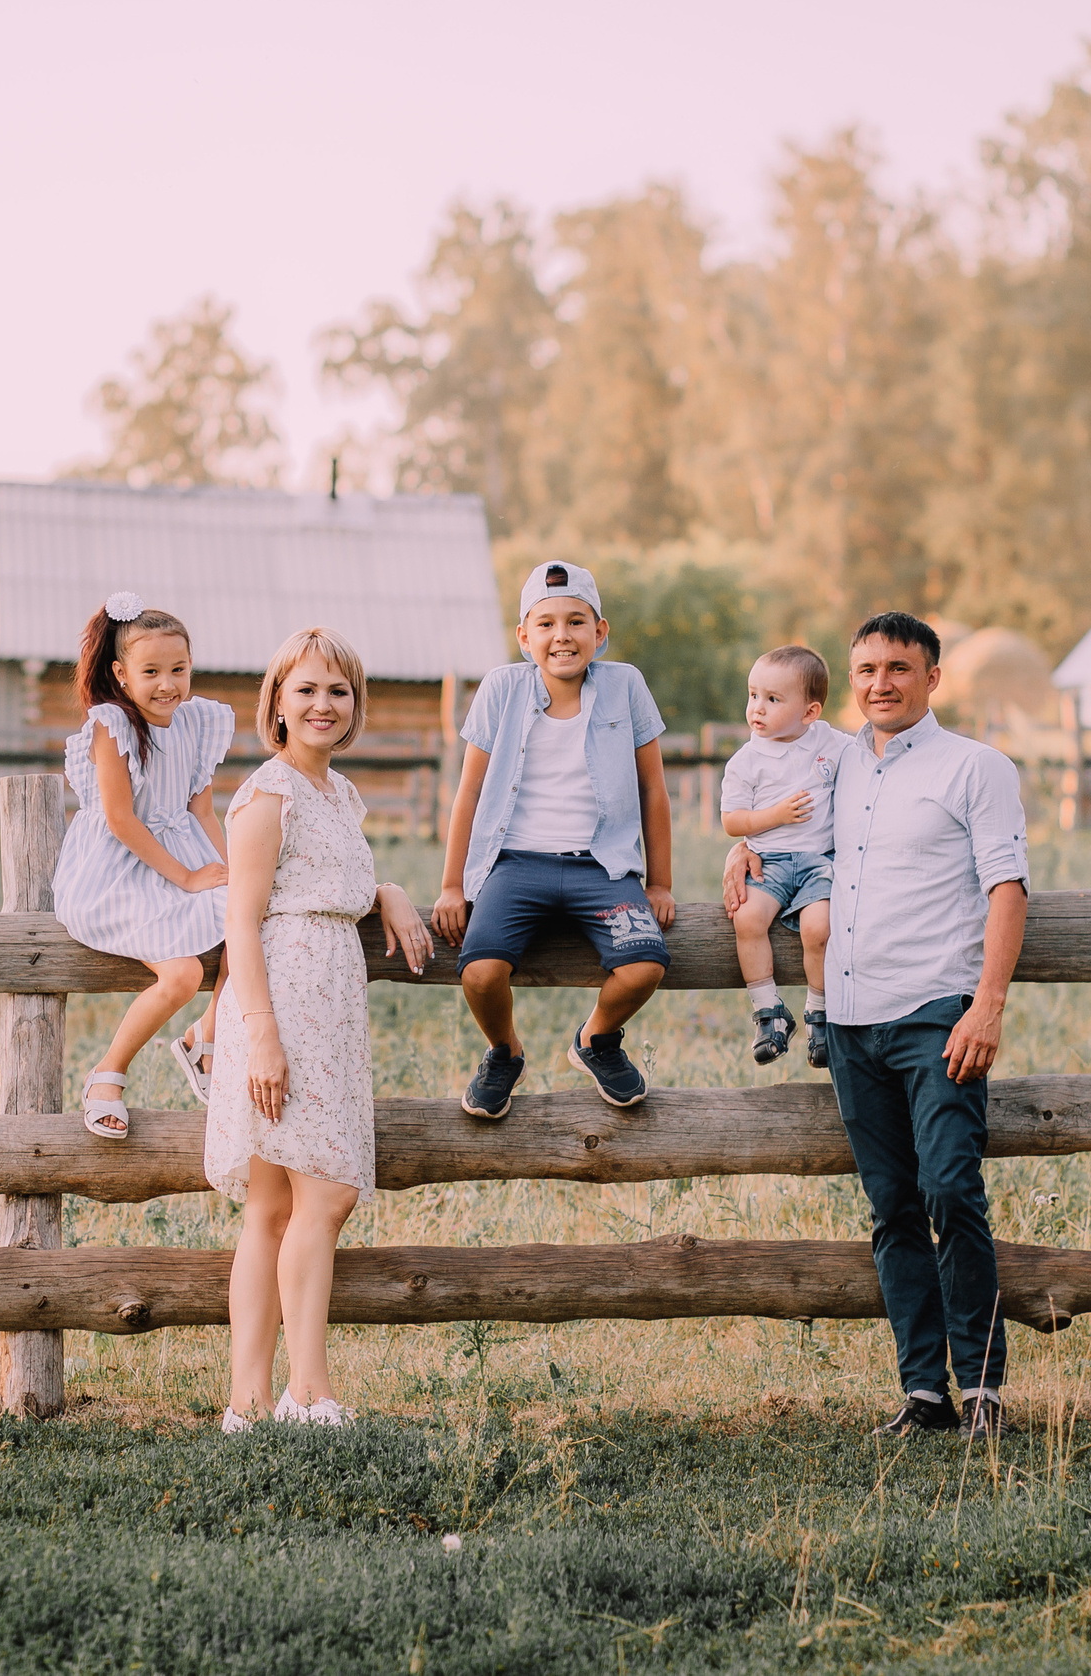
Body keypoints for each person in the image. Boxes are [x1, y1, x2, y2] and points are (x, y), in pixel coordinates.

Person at [727, 611, 1027, 1439]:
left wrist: (987, 1005)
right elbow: (775, 820)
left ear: (933, 677)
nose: (880, 683)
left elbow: (1008, 888)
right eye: (865, 670)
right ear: (848, 682)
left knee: (950, 1190)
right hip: (851, 1020)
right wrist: (740, 850)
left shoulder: (977, 767)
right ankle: (923, 1393)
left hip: (937, 1011)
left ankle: (983, 1389)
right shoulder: (833, 764)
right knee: (892, 1206)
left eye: (898, 668)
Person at [206, 627, 433, 1429]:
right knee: (327, 1193)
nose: (322, 704)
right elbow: (242, 918)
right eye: (305, 689)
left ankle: (246, 1402)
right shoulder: (267, 794)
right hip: (284, 1006)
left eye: (337, 691)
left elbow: (333, 880)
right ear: (276, 701)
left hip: (330, 1002)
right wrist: (262, 1033)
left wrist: (391, 890)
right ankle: (310, 1389)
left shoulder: (339, 794)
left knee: (272, 1206)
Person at [432, 560, 676, 1119]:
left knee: (646, 963)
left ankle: (595, 1040)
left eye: (576, 622)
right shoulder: (501, 689)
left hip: (603, 868)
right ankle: (504, 1051)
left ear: (600, 631)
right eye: (545, 625)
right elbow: (468, 793)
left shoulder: (626, 686)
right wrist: (451, 886)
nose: (561, 636)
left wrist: (660, 882)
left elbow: (653, 789)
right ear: (524, 636)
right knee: (480, 971)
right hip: (516, 865)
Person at [50, 592, 232, 1140]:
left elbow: (200, 808)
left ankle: (208, 1037)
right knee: (183, 972)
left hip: (182, 851)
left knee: (256, 918)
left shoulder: (197, 721)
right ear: (121, 674)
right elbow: (122, 820)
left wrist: (228, 871)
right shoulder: (113, 725)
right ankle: (107, 1076)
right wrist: (188, 877)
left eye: (179, 669)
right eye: (151, 671)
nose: (168, 684)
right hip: (119, 869)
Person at [719, 645, 849, 1067]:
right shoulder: (747, 760)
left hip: (819, 862)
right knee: (747, 919)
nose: (757, 708)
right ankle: (768, 1012)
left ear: (809, 712)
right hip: (768, 862)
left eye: (772, 700)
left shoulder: (831, 742)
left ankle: (819, 1013)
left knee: (820, 928)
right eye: (753, 695)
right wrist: (774, 816)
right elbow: (731, 821)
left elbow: (873, 753)